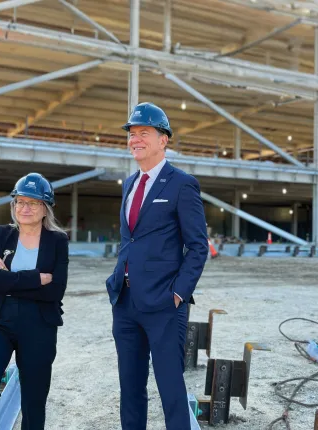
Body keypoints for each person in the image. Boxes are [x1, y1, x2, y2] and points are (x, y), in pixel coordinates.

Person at [105, 102, 209, 430]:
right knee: (130, 389)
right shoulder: (129, 184)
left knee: (170, 389)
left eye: (144, 133)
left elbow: (198, 247)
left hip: (164, 304)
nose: (135, 139)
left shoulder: (181, 184)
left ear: (163, 139)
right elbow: (131, 240)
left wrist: (178, 294)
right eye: (132, 134)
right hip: (125, 301)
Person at [0, 173, 70, 430]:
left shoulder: (57, 241)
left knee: (34, 399)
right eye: (19, 202)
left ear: (45, 208)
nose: (25, 208)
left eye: (32, 202)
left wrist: (9, 278)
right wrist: (36, 278)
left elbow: (55, 290)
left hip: (39, 322)